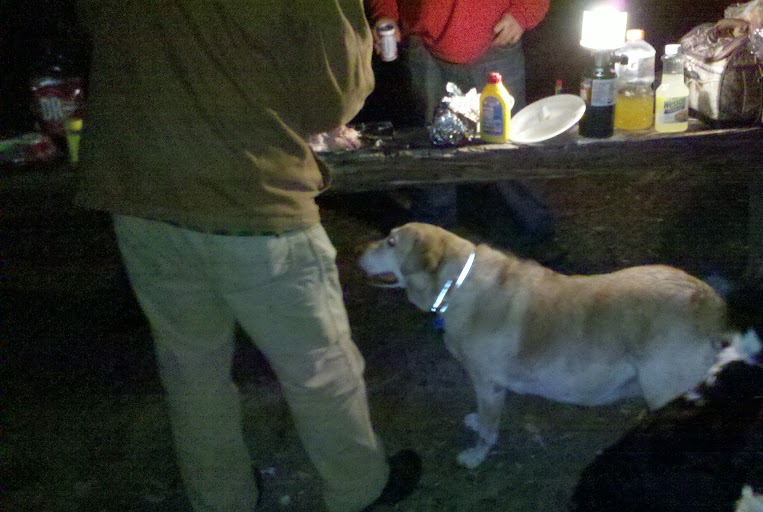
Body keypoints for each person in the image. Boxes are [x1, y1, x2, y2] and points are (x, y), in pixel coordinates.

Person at [74, 1, 420, 511]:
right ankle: (359, 488)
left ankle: (220, 497)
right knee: (320, 365)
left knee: (191, 368)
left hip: (140, 188)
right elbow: (332, 99)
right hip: (251, 195)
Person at [366, 0, 557, 250]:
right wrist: (385, 14)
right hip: (424, 42)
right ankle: (432, 236)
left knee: (510, 140)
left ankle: (533, 229)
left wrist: (523, 13)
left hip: (496, 41)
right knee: (431, 141)